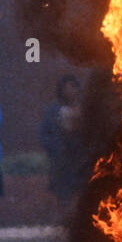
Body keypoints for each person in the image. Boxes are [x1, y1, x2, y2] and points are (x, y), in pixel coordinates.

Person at [40, 75, 88, 211]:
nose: (69, 91)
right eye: (66, 88)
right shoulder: (53, 112)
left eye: (72, 87)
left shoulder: (84, 111)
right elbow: (45, 133)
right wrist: (54, 149)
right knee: (63, 192)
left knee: (80, 190)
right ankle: (64, 218)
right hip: (61, 159)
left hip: (79, 159)